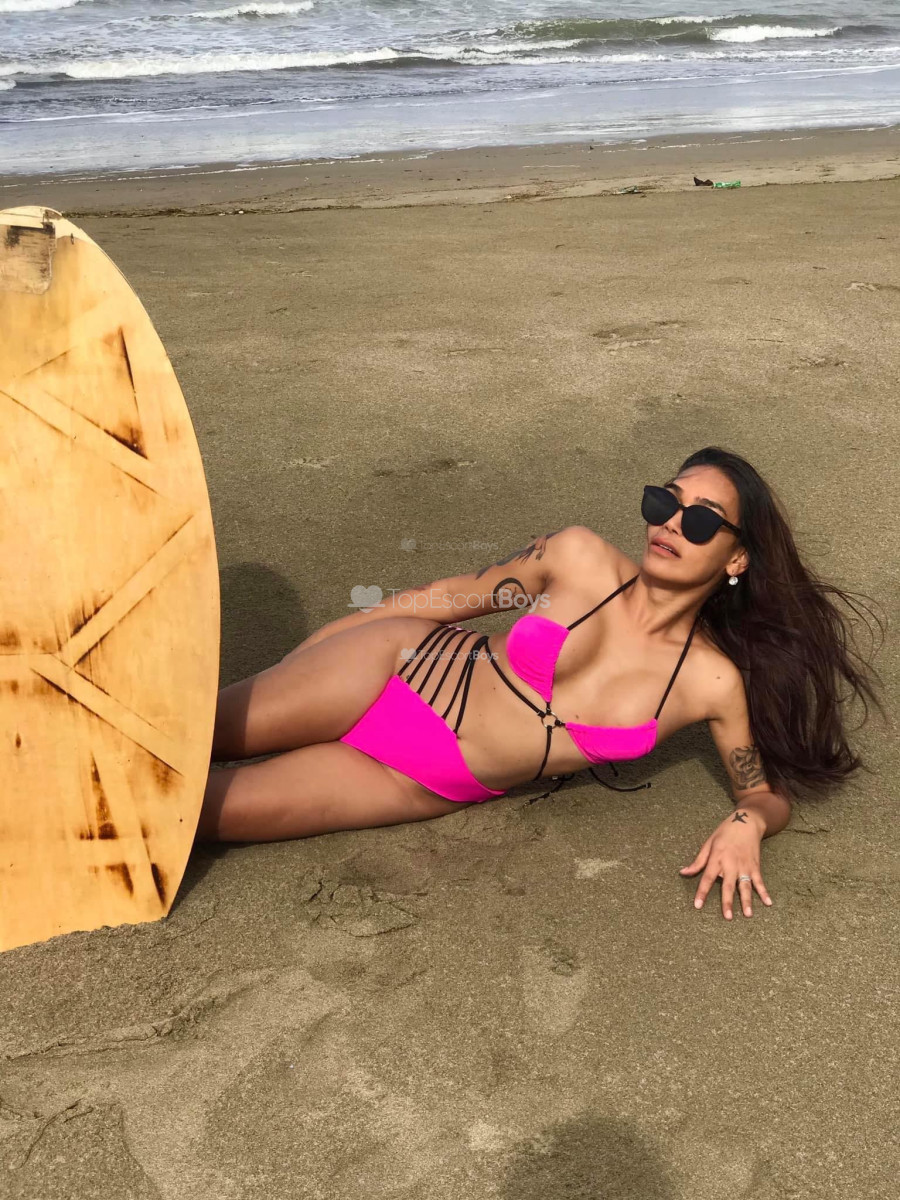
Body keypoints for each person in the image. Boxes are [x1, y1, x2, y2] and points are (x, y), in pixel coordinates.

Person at [197, 446, 884, 922]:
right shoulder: (578, 556)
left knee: (187, 815)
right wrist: (311, 655)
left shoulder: (710, 681)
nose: (672, 523)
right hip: (389, 670)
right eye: (664, 502)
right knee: (185, 734)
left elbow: (761, 793)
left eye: (702, 519)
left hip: (419, 781)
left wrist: (746, 826)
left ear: (736, 557)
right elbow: (443, 599)